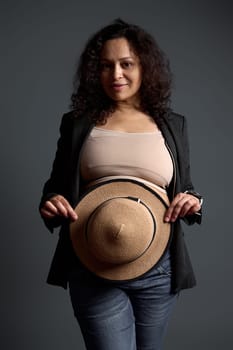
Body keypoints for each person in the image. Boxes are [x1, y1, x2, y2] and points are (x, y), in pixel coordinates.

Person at [39, 19, 203, 350]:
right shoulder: (77, 124)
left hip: (159, 268)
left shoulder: (172, 125)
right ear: (94, 72)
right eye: (105, 66)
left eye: (126, 64)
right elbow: (55, 187)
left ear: (145, 67)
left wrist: (195, 202)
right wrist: (51, 202)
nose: (116, 75)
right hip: (92, 262)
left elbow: (186, 187)